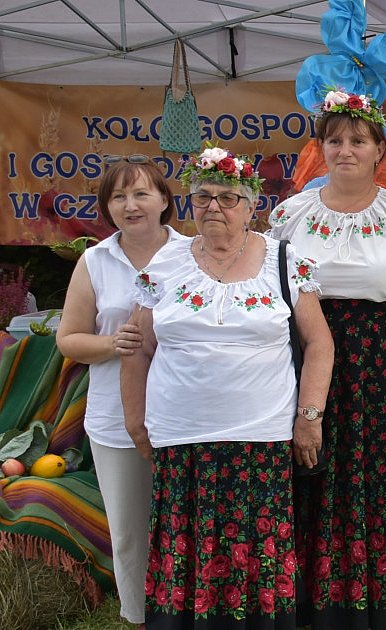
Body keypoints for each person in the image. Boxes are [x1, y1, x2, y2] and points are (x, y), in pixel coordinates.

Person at [121, 145, 335, 629]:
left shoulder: (284, 259)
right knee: (188, 546)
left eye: (228, 198)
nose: (214, 207)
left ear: (252, 204)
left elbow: (319, 343)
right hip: (181, 438)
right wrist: (136, 422)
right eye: (202, 197)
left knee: (255, 552)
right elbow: (137, 346)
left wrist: (309, 418)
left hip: (260, 437)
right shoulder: (164, 264)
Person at [268, 88, 386, 629]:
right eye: (334, 140)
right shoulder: (291, 215)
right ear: (320, 149)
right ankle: (313, 593)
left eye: (358, 140)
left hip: (381, 360)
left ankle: (374, 593)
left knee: (371, 471)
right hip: (308, 354)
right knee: (311, 465)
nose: (346, 150)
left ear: (379, 148)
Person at [56, 156, 186, 628]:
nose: (131, 206)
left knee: (188, 526)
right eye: (118, 197)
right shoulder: (95, 260)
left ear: (164, 200)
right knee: (130, 533)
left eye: (141, 194)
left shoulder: (194, 254)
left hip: (191, 416)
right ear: (107, 207)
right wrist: (114, 344)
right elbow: (69, 338)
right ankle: (139, 616)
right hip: (116, 420)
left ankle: (192, 612)